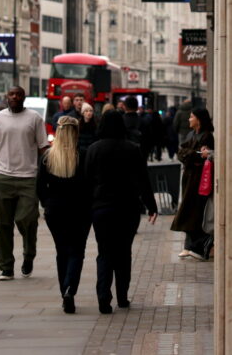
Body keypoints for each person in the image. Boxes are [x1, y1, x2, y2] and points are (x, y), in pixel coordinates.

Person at [85, 110, 158, 314]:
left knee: (104, 252)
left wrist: (88, 206)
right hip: (128, 208)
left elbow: (87, 180)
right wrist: (152, 206)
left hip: (101, 208)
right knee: (124, 252)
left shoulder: (93, 149)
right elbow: (143, 179)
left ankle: (103, 297)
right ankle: (122, 296)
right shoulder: (132, 149)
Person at [0, 86, 49, 280]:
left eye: (18, 94)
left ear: (24, 97)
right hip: (4, 177)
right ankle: (6, 267)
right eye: (11, 94)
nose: (14, 97)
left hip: (29, 177)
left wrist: (46, 172)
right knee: (3, 224)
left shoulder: (34, 119)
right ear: (7, 97)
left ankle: (29, 255)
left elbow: (43, 147)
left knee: (26, 219)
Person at [36, 118, 92, 314]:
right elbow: (90, 185)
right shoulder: (83, 156)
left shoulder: (47, 158)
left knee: (62, 251)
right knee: (77, 251)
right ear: (76, 133)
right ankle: (70, 289)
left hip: (55, 210)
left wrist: (46, 205)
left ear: (58, 133)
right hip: (81, 210)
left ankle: (64, 292)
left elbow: (40, 187)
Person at [170, 107, 215, 260]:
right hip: (189, 177)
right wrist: (192, 154)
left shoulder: (207, 136)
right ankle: (189, 246)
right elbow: (182, 153)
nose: (189, 119)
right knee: (189, 210)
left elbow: (198, 158)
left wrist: (191, 155)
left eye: (191, 117)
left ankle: (198, 246)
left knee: (196, 211)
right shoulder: (191, 134)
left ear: (199, 120)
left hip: (199, 179)